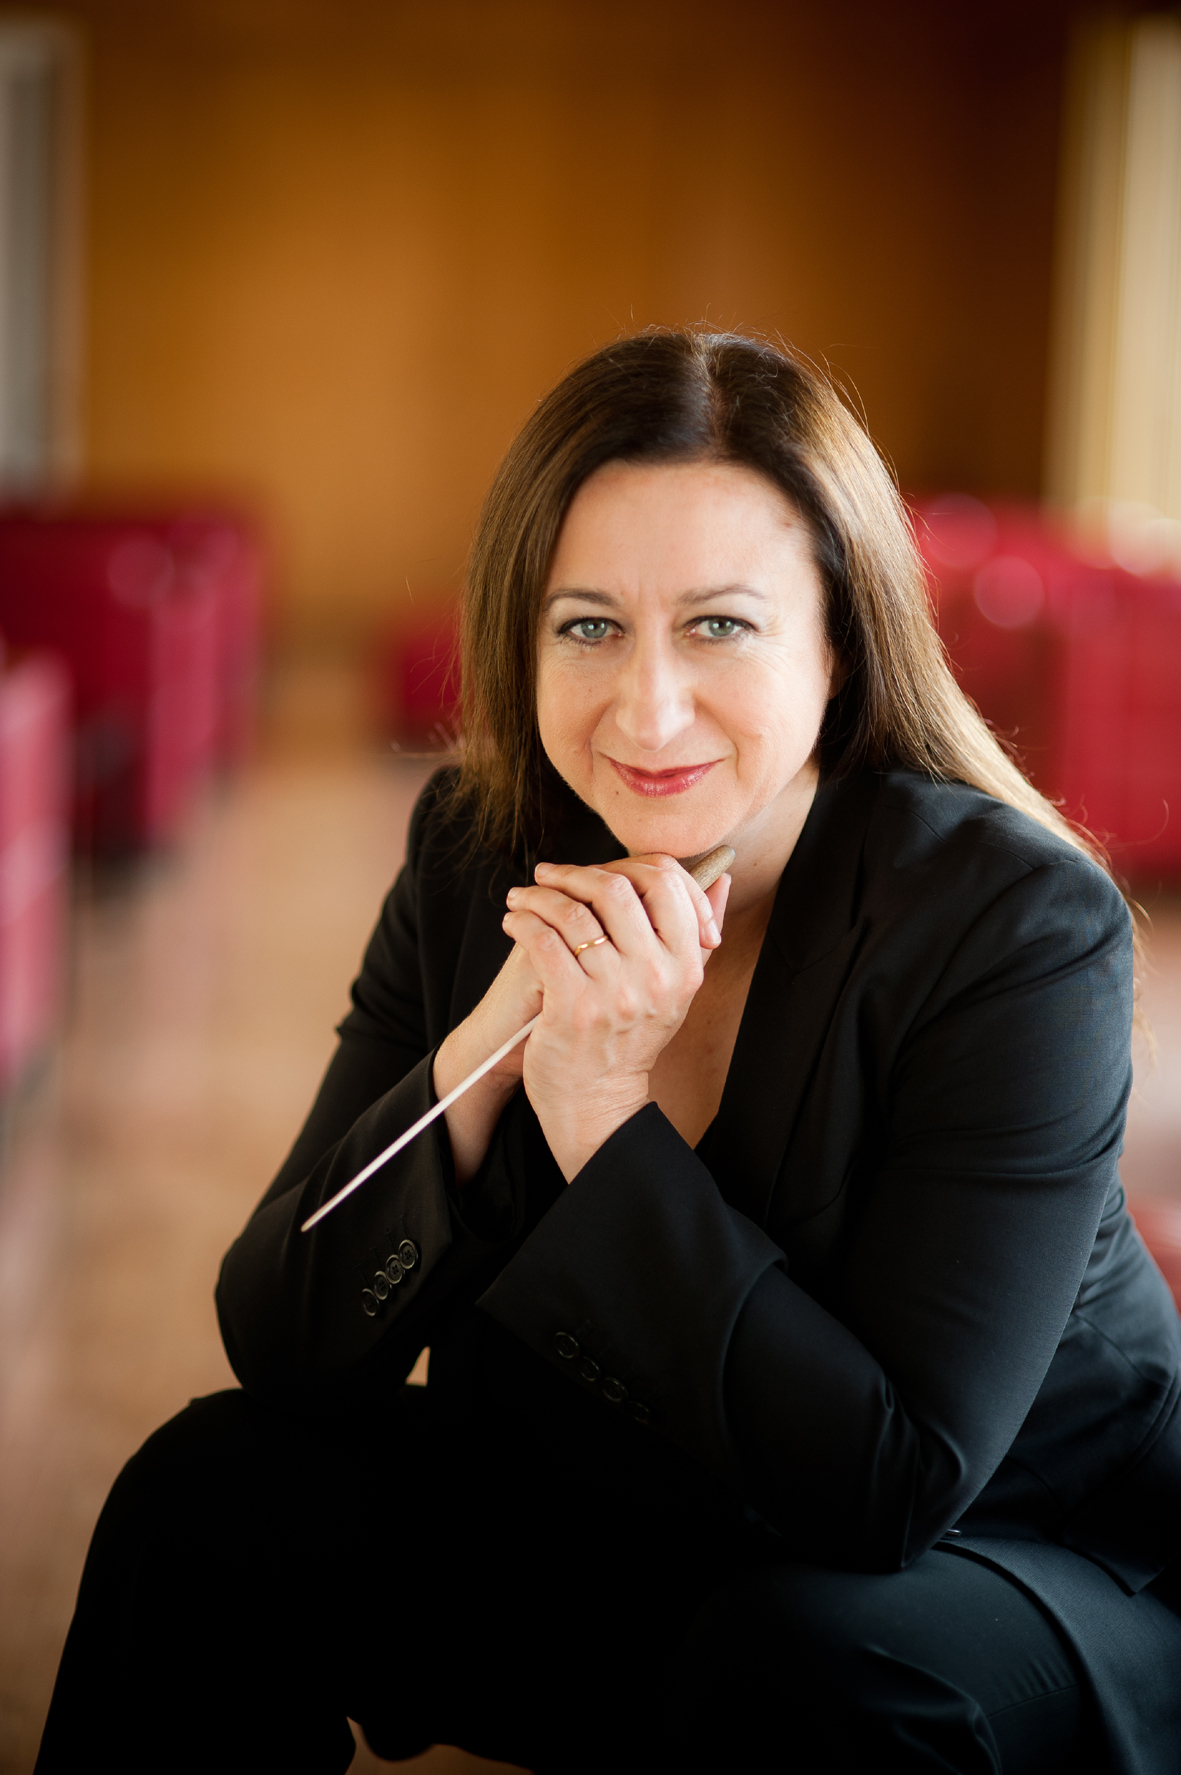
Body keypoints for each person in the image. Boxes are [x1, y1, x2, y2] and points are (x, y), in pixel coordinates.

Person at [37, 330, 1181, 1775]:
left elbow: (885, 1491)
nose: (644, 711)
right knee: (203, 1500)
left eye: (718, 626)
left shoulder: (1012, 924)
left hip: (994, 1570)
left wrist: (596, 1114)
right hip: (648, 1514)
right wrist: (493, 1052)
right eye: (587, 626)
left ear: (838, 641)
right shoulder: (476, 851)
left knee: (796, 1667)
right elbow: (286, 1340)